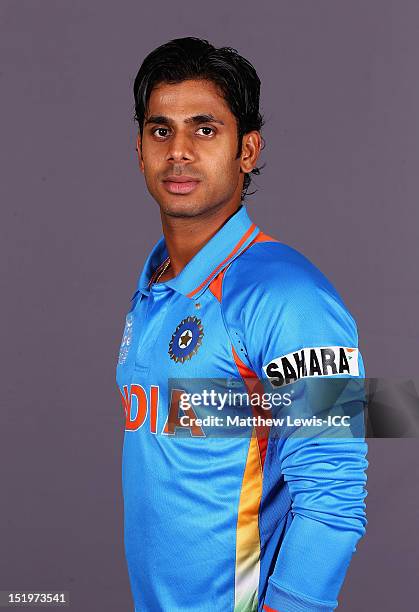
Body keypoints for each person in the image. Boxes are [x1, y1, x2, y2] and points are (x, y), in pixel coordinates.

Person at [116, 36, 368, 612]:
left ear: (247, 150)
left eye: (205, 129)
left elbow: (333, 499)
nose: (178, 151)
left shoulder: (288, 295)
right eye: (161, 131)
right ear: (139, 148)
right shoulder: (155, 283)